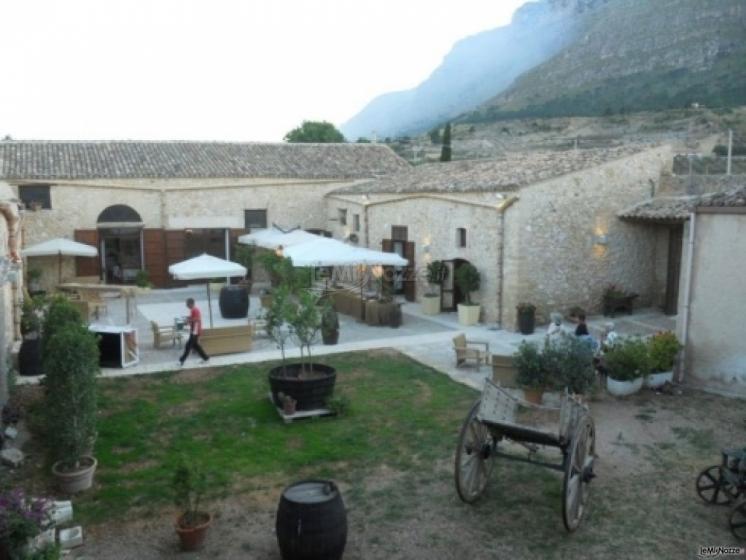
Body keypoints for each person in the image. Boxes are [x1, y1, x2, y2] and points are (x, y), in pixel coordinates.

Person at [178, 298, 209, 366]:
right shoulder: (193, 310)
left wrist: (188, 321)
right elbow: (193, 318)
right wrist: (188, 318)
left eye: (187, 304)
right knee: (196, 346)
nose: (186, 305)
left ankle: (181, 360)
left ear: (191, 304)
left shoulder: (195, 310)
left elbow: (197, 319)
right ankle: (206, 358)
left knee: (188, 346)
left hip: (195, 331)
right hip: (194, 330)